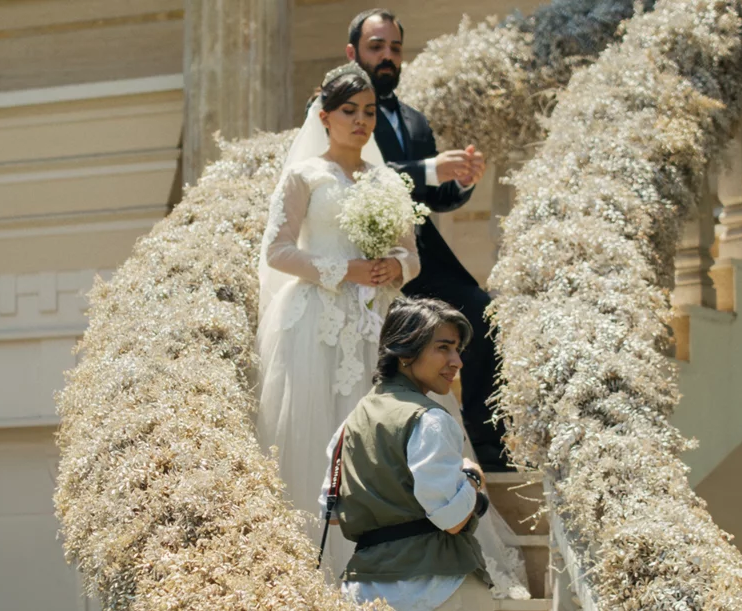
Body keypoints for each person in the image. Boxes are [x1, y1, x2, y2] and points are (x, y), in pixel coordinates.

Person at [255, 63, 419, 572]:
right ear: (324, 116)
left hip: (376, 321)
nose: (361, 121)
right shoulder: (304, 175)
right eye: (349, 111)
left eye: (369, 112)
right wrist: (342, 269)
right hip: (315, 323)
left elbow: (413, 257)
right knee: (317, 428)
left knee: (380, 427)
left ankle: (391, 550)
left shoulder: (389, 180)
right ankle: (312, 562)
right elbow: (277, 253)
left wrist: (396, 266)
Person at [345, 9, 509, 471]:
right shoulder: (339, 111)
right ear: (353, 52)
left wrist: (460, 181)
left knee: (482, 310)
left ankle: (488, 443)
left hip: (421, 259)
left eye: (394, 48)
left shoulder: (414, 122)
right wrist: (430, 168)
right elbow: (359, 172)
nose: (387, 57)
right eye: (376, 47)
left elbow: (435, 196)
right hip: (362, 257)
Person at [318, 297, 495, 611]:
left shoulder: (352, 422)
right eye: (444, 347)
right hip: (437, 588)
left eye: (457, 349)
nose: (457, 362)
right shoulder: (429, 419)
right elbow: (452, 519)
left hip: (364, 592)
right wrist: (472, 477)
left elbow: (331, 513)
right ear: (405, 353)